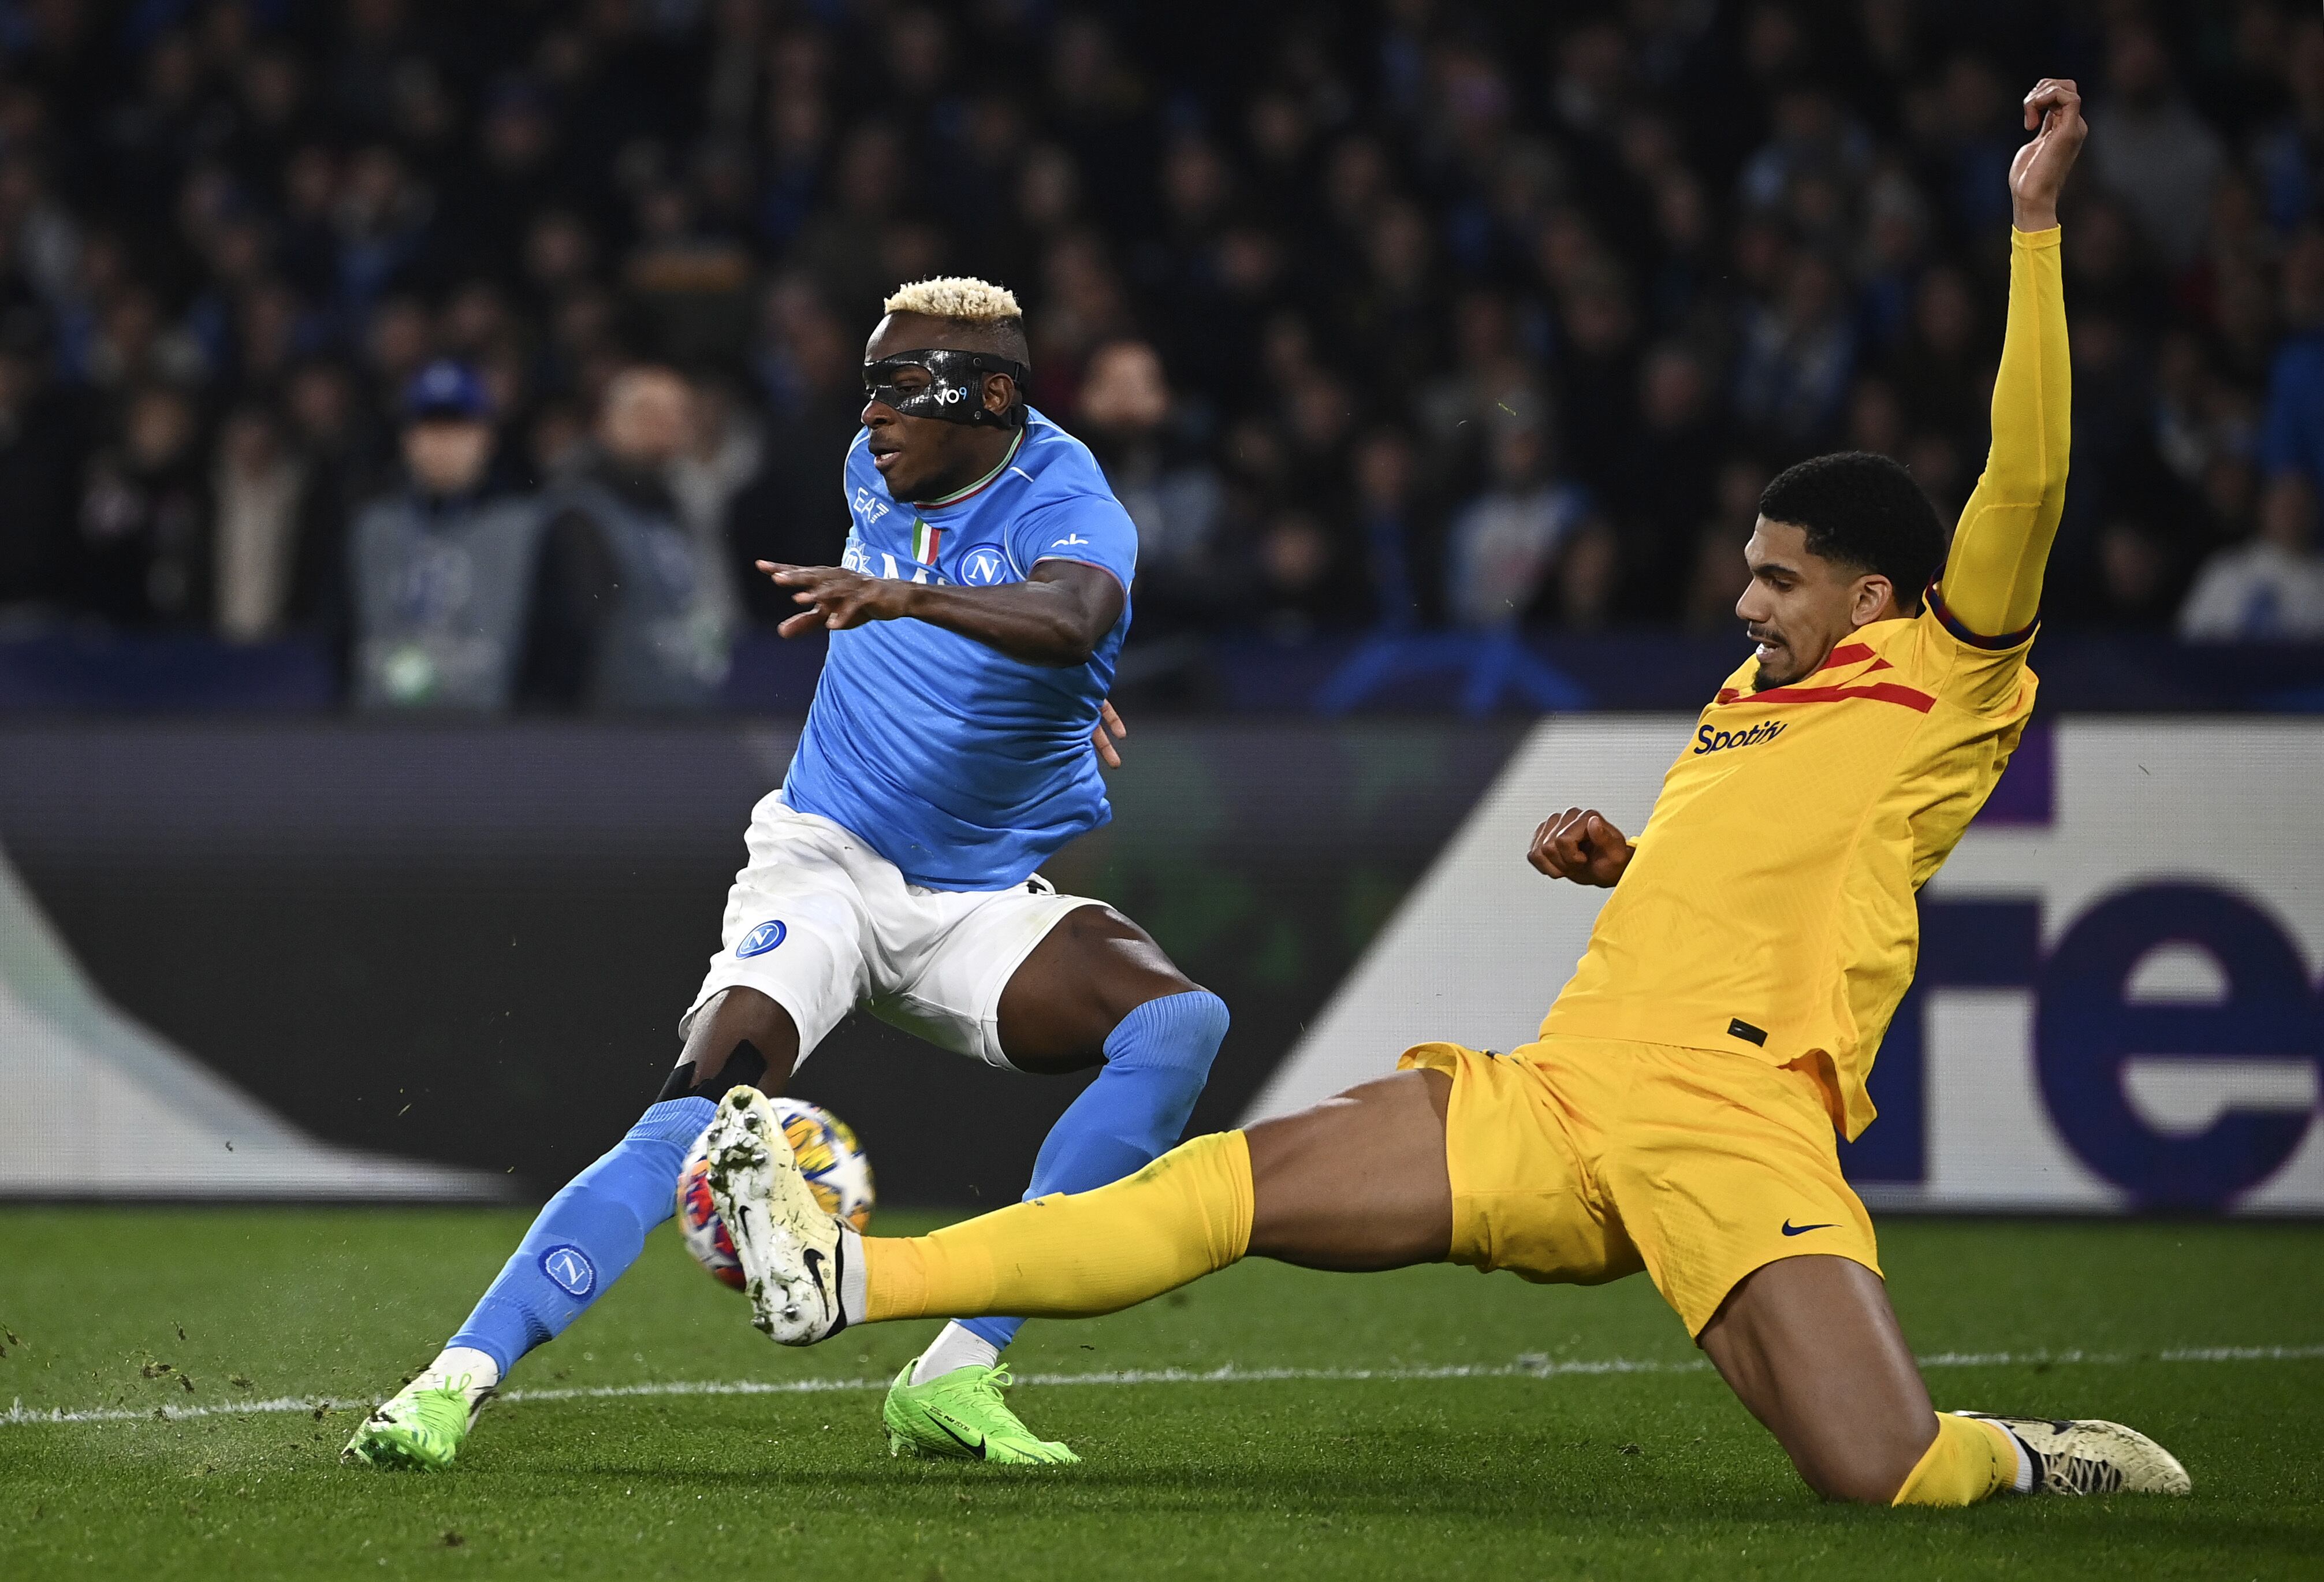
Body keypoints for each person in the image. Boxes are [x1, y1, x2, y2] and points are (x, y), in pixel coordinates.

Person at [706, 82, 2189, 1503]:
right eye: (1744, 568)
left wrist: (2032, 227)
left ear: (1876, 594)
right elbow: (1765, 862)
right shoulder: (1751, 696)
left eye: (1774, 578)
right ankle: (861, 1272)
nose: (1740, 601)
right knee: (1225, 1190)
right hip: (1562, 1090)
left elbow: (2029, 478)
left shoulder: (1947, 672)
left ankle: (2018, 1454)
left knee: (1884, 1474)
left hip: (1735, 1120)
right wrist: (1630, 861)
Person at [346, 277, 1229, 1469]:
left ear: (993, 396)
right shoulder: (887, 466)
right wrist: (1043, 666)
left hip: (975, 901)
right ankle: (449, 1382)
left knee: (1178, 1024)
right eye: (865, 386)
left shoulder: (1072, 501)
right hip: (825, 860)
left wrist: (1016, 643)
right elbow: (1035, 629)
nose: (868, 418)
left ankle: (956, 1369)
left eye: (897, 387)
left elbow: (1071, 614)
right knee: (691, 1104)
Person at [347, 360, 545, 712]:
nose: (443, 443)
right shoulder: (372, 529)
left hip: (492, 741)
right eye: (430, 428)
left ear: (487, 438)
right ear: (407, 440)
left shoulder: (525, 528)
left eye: (458, 427)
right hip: (380, 739)